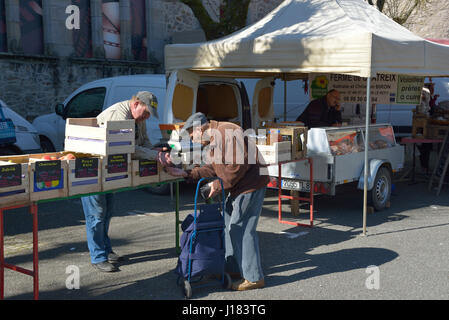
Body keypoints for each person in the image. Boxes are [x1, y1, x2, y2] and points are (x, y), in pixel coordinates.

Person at [165, 112, 269, 291]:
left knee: (241, 229)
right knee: (229, 226)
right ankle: (233, 269)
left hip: (250, 185)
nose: (193, 140)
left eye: (191, 136)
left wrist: (217, 185)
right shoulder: (213, 139)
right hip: (238, 186)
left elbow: (237, 166)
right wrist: (187, 174)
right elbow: (212, 167)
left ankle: (254, 277)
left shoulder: (227, 132)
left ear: (199, 129)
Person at [82, 91, 166, 272]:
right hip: (92, 169)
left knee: (108, 211)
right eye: (145, 112)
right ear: (135, 104)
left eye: (149, 114)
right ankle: (98, 257)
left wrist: (159, 152)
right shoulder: (118, 116)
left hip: (111, 169)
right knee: (96, 214)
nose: (147, 117)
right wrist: (154, 155)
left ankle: (106, 249)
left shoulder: (138, 120)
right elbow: (125, 147)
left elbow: (144, 143)